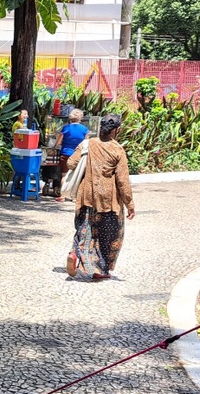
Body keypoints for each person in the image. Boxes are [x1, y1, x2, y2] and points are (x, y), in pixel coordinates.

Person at [66, 114, 134, 281]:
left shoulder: (87, 144)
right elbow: (122, 180)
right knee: (107, 235)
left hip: (86, 196)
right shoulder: (117, 150)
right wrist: (130, 204)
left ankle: (75, 253)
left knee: (84, 229)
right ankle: (100, 270)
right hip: (107, 201)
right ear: (116, 130)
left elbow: (70, 163)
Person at [55, 108, 89, 201]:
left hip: (65, 153)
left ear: (70, 118)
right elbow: (86, 143)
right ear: (80, 118)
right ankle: (76, 197)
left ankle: (63, 195)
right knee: (78, 175)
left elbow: (58, 143)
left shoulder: (66, 128)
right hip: (79, 155)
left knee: (64, 175)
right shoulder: (84, 129)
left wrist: (57, 146)